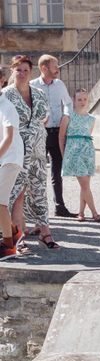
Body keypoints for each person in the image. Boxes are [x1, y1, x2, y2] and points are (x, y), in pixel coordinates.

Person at [4, 55, 60, 251]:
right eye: (18, 70)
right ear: (12, 71)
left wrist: (35, 130)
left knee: (38, 192)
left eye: (25, 70)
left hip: (37, 150)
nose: (22, 73)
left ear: (31, 72)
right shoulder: (6, 95)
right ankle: (17, 239)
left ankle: (46, 233)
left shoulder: (38, 92)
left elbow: (44, 117)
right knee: (17, 194)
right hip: (16, 152)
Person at [30, 54, 75, 218]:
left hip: (58, 133)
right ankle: (37, 211)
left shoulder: (59, 84)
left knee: (57, 171)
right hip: (39, 133)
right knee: (38, 172)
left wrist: (66, 116)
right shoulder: (32, 86)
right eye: (55, 66)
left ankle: (60, 206)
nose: (58, 69)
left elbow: (68, 103)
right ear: (44, 68)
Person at [59, 89, 100, 222]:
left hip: (88, 152)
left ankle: (81, 213)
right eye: (79, 99)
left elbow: (88, 136)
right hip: (74, 153)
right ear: (74, 101)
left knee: (85, 185)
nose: (82, 102)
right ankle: (95, 213)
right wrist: (64, 155)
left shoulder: (91, 119)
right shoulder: (68, 117)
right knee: (84, 184)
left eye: (85, 99)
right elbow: (61, 137)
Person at [0, 88, 24, 260]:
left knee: (0, 203)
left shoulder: (6, 106)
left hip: (10, 157)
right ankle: (14, 232)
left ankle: (8, 246)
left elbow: (8, 138)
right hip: (4, 158)